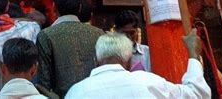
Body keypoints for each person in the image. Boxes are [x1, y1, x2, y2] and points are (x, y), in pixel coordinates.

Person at [65, 30, 211, 99]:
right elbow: (198, 94)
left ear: (96, 60)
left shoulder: (76, 92)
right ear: (129, 61)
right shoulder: (147, 82)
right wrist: (193, 53)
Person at [37, 0, 104, 97]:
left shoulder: (45, 36)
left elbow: (44, 84)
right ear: (79, 8)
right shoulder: (99, 33)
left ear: (54, 7)